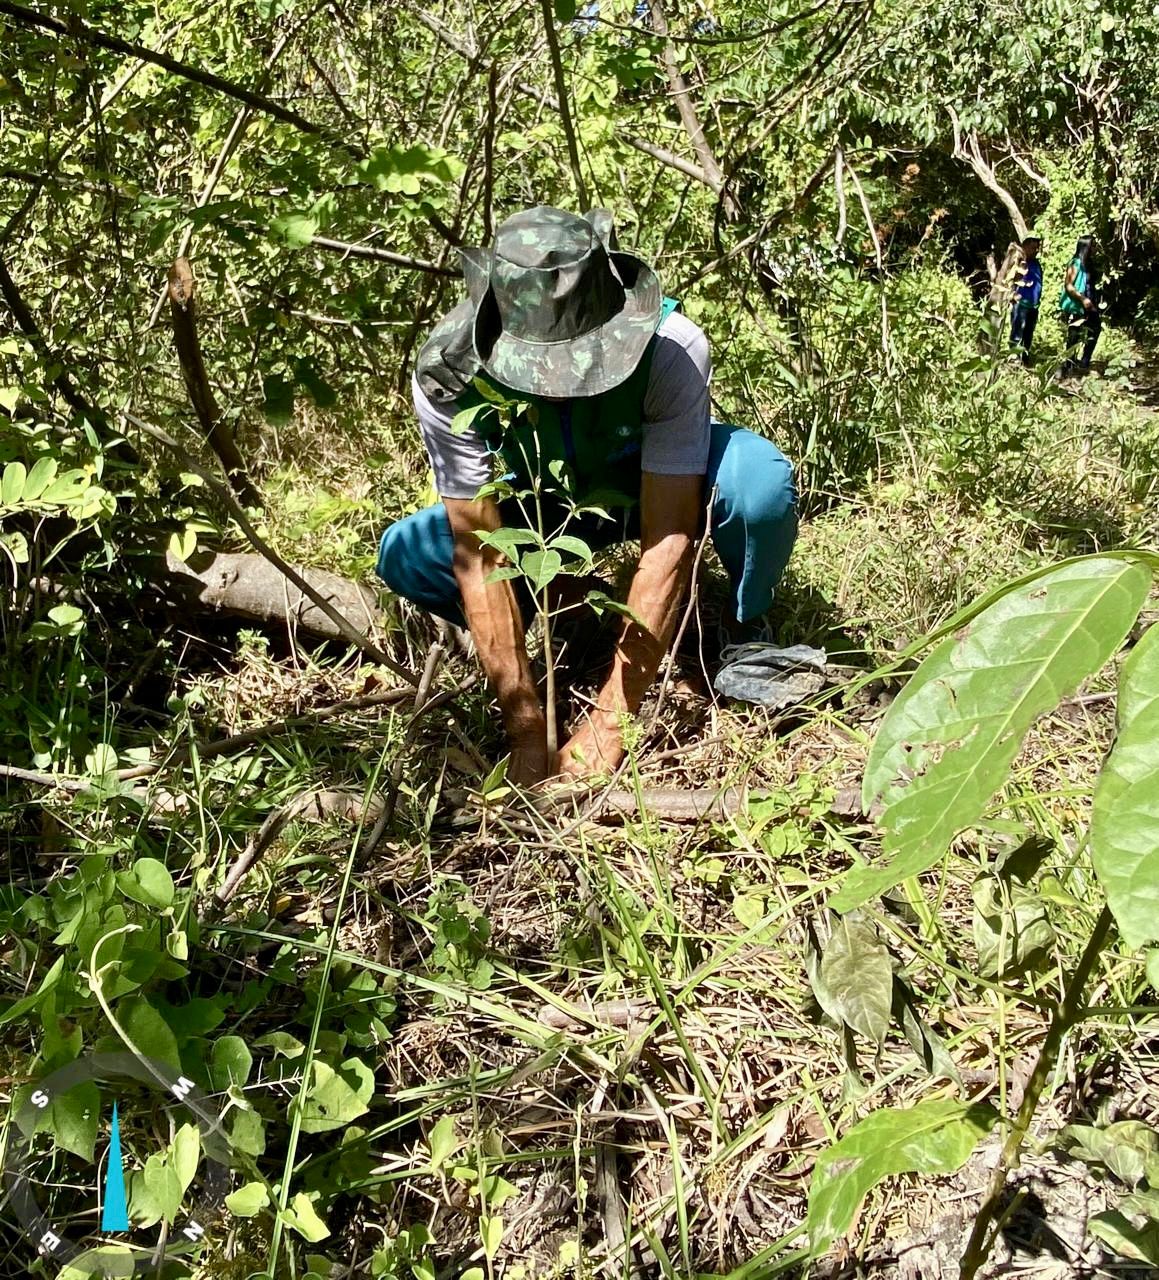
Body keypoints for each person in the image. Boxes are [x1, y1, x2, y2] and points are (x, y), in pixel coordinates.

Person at [376, 206, 798, 784]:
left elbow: (671, 536)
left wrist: (608, 725)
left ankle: (742, 628)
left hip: (644, 483)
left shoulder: (672, 348)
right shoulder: (448, 373)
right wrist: (526, 731)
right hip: (539, 505)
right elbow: (480, 553)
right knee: (409, 551)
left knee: (758, 485)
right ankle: (572, 606)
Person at [1059, 235, 1102, 372]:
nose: (1095, 249)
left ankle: (1085, 361)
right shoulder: (1076, 263)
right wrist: (1082, 298)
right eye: (1093, 246)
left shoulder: (1089, 263)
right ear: (1086, 247)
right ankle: (1069, 365)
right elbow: (1068, 285)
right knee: (1074, 336)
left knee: (1095, 329)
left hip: (1090, 303)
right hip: (1077, 304)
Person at [1009, 232, 1042, 361]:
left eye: (1037, 248)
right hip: (1020, 304)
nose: (1036, 251)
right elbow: (1010, 279)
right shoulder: (1019, 263)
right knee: (1017, 332)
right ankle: (1013, 357)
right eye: (1033, 248)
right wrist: (1012, 295)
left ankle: (1025, 358)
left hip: (1033, 305)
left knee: (1028, 333)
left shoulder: (1036, 264)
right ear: (1025, 247)